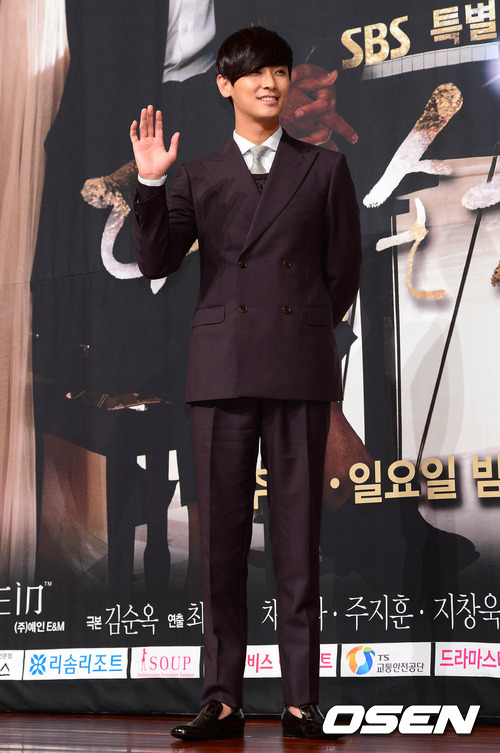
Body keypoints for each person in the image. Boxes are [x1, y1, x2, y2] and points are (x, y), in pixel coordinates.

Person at [130, 26, 361, 740]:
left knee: (298, 536)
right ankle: (222, 698)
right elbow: (156, 261)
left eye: (280, 72)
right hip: (222, 368)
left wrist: (304, 329)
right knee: (221, 542)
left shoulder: (325, 168)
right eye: (255, 73)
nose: (270, 83)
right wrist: (150, 182)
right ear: (225, 85)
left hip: (295, 364)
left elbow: (342, 274)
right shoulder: (196, 174)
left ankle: (299, 699)